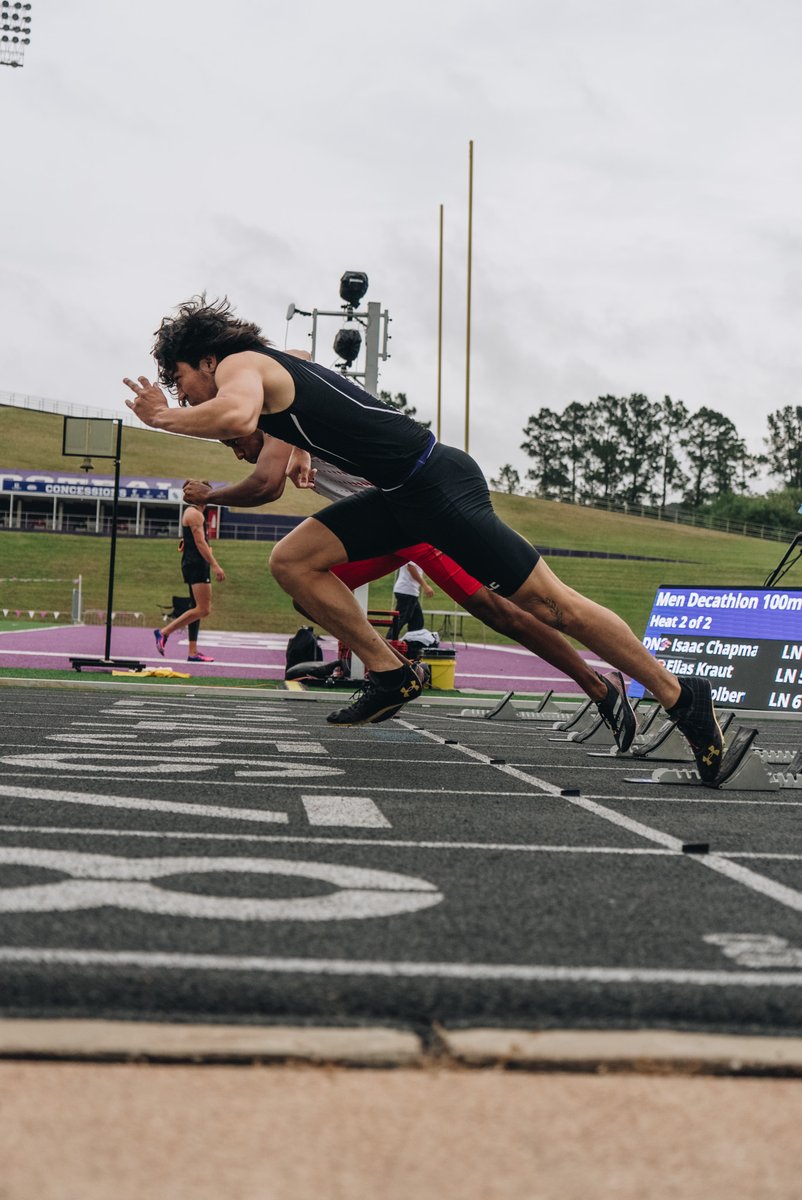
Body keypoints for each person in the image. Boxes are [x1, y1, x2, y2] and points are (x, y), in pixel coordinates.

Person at [125, 295, 723, 781]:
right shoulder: (260, 366)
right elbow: (274, 405)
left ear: (205, 359)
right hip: (398, 498)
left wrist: (161, 419)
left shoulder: (238, 365)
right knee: (294, 562)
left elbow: (234, 417)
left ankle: (679, 695)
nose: (180, 396)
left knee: (548, 606)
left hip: (435, 485)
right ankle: (390, 673)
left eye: (178, 381)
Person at [183, 426, 637, 746]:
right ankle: (397, 670)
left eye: (237, 443)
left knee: (503, 612)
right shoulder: (278, 436)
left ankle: (600, 688)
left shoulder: (280, 421)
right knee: (306, 589)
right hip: (380, 531)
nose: (239, 454)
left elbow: (295, 363)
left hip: (420, 518)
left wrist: (222, 489)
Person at [153, 494, 224, 661]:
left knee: (196, 608)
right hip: (197, 564)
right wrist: (215, 565)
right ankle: (163, 632)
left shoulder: (193, 513)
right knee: (203, 609)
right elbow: (200, 543)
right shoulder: (194, 514)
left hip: (194, 563)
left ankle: (192, 652)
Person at [390, 562, 433, 639]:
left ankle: (412, 645)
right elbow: (411, 567)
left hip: (410, 592)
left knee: (417, 621)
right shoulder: (414, 551)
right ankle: (389, 642)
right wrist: (425, 585)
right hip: (406, 591)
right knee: (401, 620)